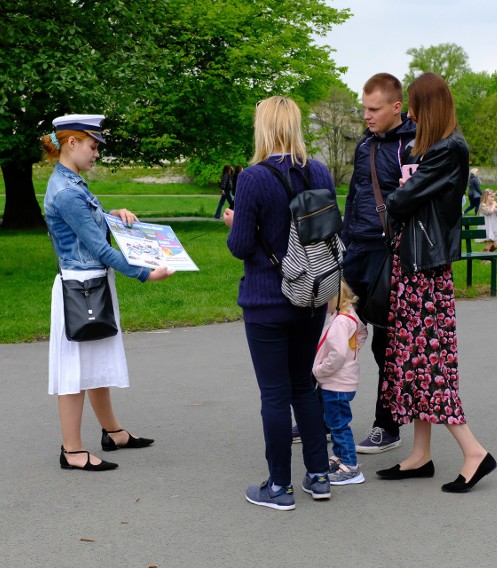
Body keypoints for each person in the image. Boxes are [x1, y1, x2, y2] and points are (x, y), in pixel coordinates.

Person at [377, 72, 496, 494]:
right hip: (415, 264)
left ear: (426, 107)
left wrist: (398, 191)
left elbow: (400, 200)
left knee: (431, 365)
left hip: (426, 269)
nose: (408, 112)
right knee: (412, 360)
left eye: (412, 104)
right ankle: (420, 454)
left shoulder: (449, 149)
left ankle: (473, 451)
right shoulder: (431, 148)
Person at [42, 114, 172, 472]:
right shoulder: (68, 191)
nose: (97, 153)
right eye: (93, 145)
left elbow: (89, 230)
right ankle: (72, 451)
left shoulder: (73, 183)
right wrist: (146, 273)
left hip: (90, 285)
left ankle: (113, 432)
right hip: (79, 289)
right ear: (72, 143)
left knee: (95, 364)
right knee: (74, 371)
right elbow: (99, 250)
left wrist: (113, 216)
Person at [225, 95, 334, 510]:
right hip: (310, 296)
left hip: (267, 300)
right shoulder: (319, 171)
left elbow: (240, 247)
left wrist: (236, 223)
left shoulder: (253, 178)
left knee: (273, 394)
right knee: (304, 388)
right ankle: (319, 476)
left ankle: (279, 487)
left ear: (264, 127)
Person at [341, 72, 415, 455]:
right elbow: (355, 195)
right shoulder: (364, 144)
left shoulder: (414, 146)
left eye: (374, 109)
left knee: (385, 345)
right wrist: (343, 240)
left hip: (389, 255)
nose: (367, 115)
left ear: (396, 107)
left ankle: (387, 426)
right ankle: (326, 418)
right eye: (364, 108)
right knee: (339, 339)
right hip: (356, 253)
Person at [312, 280, 368, 486]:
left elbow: (336, 355)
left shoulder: (339, 323)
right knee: (336, 423)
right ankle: (340, 458)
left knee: (338, 425)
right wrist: (353, 352)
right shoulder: (349, 315)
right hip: (344, 381)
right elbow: (362, 332)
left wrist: (319, 370)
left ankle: (351, 467)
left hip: (334, 383)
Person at [479, 188, 497, 261]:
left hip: (493, 227)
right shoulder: (483, 205)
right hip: (486, 228)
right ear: (486, 197)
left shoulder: (493, 205)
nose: (493, 198)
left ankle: (485, 255)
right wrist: (494, 205)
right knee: (488, 244)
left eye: (494, 197)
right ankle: (485, 259)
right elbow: (489, 212)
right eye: (491, 197)